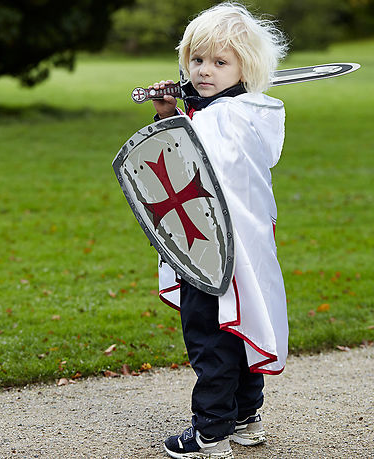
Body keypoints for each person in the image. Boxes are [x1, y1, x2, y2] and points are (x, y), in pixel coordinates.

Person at [149, 3, 288, 458]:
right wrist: (176, 108)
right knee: (239, 325)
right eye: (197, 60)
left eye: (220, 62)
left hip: (212, 249)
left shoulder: (224, 119)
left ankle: (210, 429)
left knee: (210, 335)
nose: (204, 70)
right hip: (240, 248)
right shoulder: (246, 112)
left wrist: (174, 117)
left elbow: (182, 159)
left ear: (244, 68)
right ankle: (245, 416)